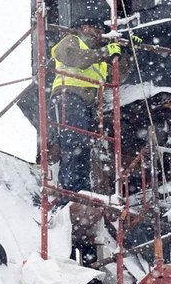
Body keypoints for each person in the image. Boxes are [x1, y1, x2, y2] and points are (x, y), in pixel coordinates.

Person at [49, 19, 124, 193]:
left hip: (86, 105)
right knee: (74, 144)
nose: (99, 33)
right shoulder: (72, 40)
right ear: (84, 27)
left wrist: (126, 51)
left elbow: (117, 76)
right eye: (96, 29)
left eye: (101, 30)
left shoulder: (98, 58)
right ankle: (73, 191)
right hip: (69, 96)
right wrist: (105, 51)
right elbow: (72, 57)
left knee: (82, 147)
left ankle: (79, 190)